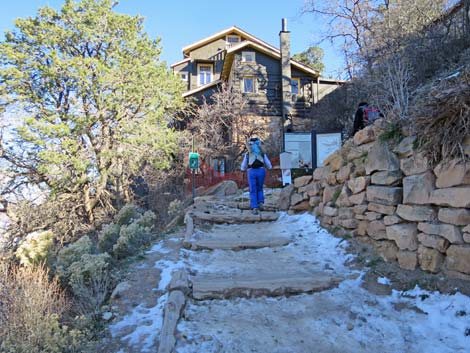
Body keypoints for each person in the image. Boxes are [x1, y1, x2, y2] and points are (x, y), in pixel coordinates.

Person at [241, 137, 272, 214]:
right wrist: (269, 167)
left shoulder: (248, 153)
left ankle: (254, 207)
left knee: (252, 189)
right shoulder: (261, 152)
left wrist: (243, 169)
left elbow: (243, 166)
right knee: (260, 188)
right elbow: (268, 164)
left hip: (251, 171)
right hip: (261, 170)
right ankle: (260, 203)